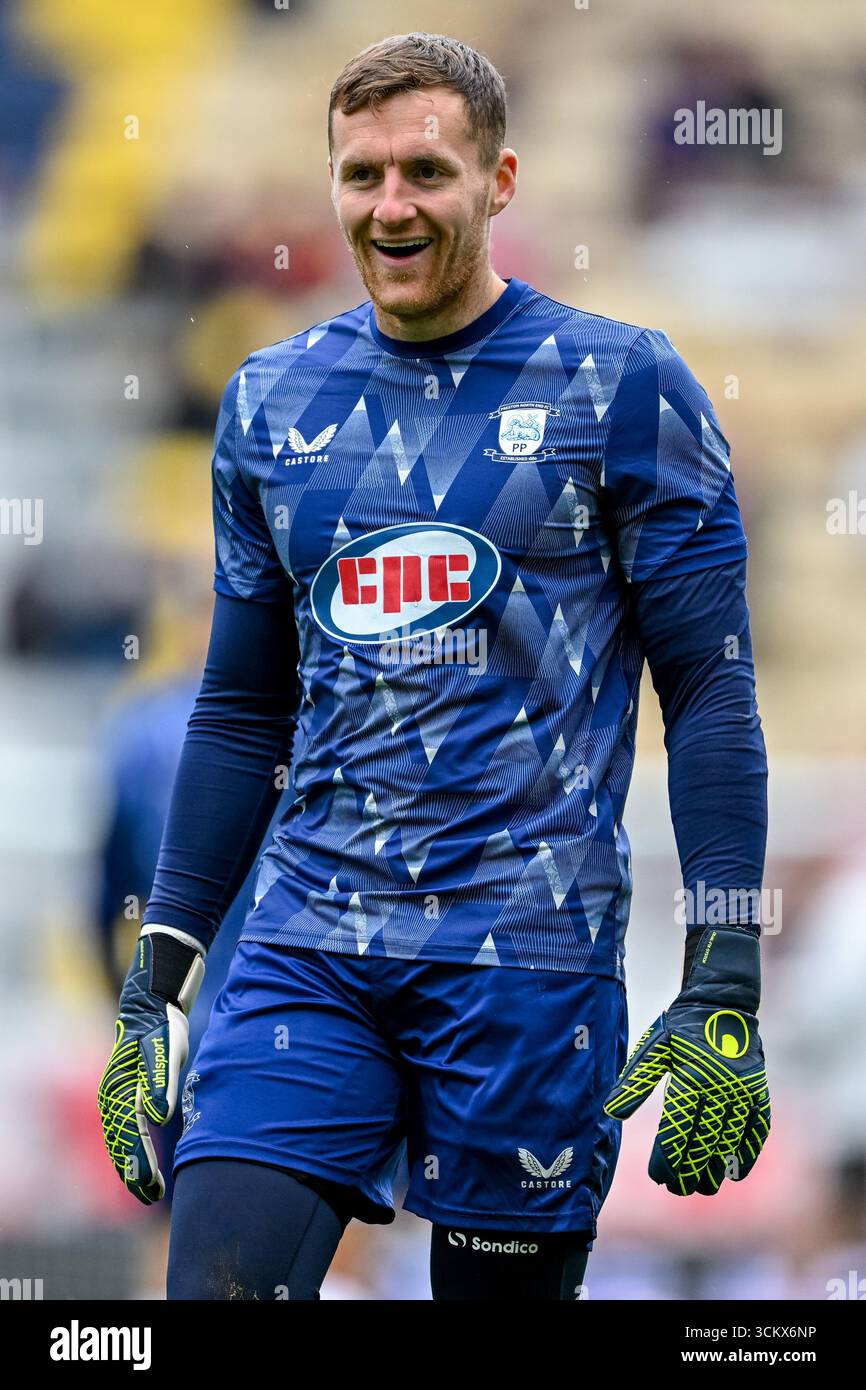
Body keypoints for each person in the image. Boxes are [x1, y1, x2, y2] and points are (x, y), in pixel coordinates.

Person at [97, 31, 771, 1302]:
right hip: (308, 947)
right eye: (361, 176)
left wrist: (723, 970)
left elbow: (711, 694)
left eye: (424, 172)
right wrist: (161, 967)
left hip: (527, 957)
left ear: (498, 179)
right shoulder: (269, 401)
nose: (390, 205)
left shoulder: (625, 387)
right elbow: (243, 708)